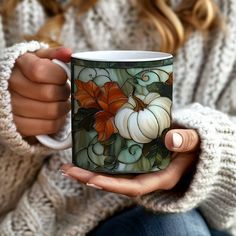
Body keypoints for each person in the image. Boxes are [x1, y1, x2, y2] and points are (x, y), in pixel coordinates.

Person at [0, 0, 235, 235]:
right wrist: (8, 120)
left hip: (195, 216)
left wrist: (209, 152)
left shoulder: (224, 8)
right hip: (46, 221)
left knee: (171, 225)